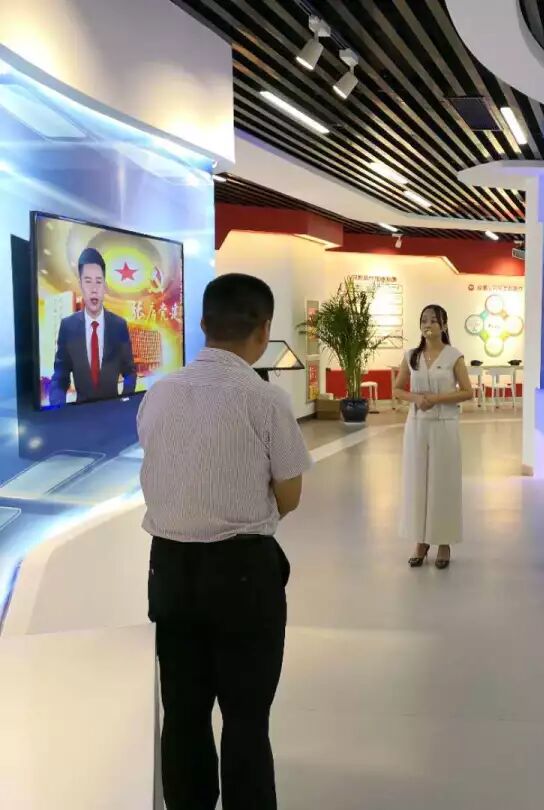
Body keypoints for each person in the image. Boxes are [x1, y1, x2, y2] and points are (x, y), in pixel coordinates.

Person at [138, 273, 312, 810]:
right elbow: (290, 495)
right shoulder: (265, 399)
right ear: (263, 330)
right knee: (246, 718)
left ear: (202, 325)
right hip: (244, 574)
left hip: (170, 571)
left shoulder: (158, 393)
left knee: (183, 714)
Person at [394, 304, 473, 569]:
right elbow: (397, 389)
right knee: (417, 482)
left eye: (433, 320)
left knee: (443, 484)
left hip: (444, 425)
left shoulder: (454, 356)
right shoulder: (411, 356)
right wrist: (416, 398)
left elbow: (467, 391)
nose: (428, 324)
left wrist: (437, 398)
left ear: (444, 325)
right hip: (417, 426)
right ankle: (421, 540)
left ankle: (443, 542)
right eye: (424, 320)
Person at [49, 246, 137, 406]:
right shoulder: (68, 327)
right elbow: (60, 377)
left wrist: (124, 401)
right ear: (80, 285)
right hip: (81, 414)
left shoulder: (119, 326)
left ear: (104, 286)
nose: (94, 289)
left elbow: (130, 372)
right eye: (88, 281)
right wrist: (58, 407)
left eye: (98, 282)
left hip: (113, 411)